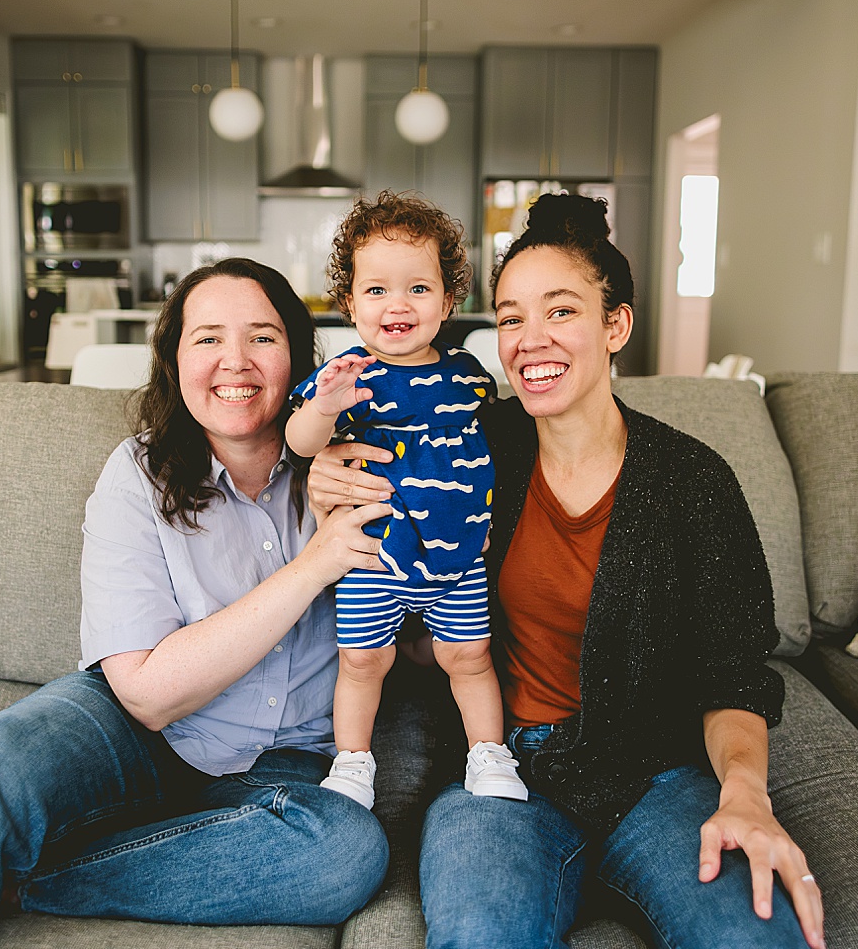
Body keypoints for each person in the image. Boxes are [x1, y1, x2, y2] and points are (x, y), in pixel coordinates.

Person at [0, 258, 393, 949]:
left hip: (289, 761)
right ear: (174, 359)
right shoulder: (138, 474)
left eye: (262, 337)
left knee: (345, 854)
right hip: (135, 731)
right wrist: (313, 567)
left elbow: (422, 614)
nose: (234, 361)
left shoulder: (357, 463)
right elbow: (146, 693)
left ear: (302, 360)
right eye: (207, 337)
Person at [308, 194, 827, 949]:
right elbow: (378, 481)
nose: (530, 339)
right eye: (512, 318)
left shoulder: (691, 480)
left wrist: (746, 795)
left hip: (657, 779)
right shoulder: (477, 442)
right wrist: (325, 475)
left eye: (561, 311)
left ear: (615, 325)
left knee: (756, 939)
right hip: (505, 779)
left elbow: (735, 676)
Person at [285, 192, 526, 811]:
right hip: (375, 551)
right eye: (376, 290)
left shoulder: (471, 372)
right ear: (349, 303)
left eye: (419, 289)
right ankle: (353, 762)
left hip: (459, 553)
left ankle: (489, 753)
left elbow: (495, 445)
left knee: (470, 659)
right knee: (362, 663)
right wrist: (325, 408)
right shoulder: (348, 375)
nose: (397, 304)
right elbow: (300, 441)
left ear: (448, 301)